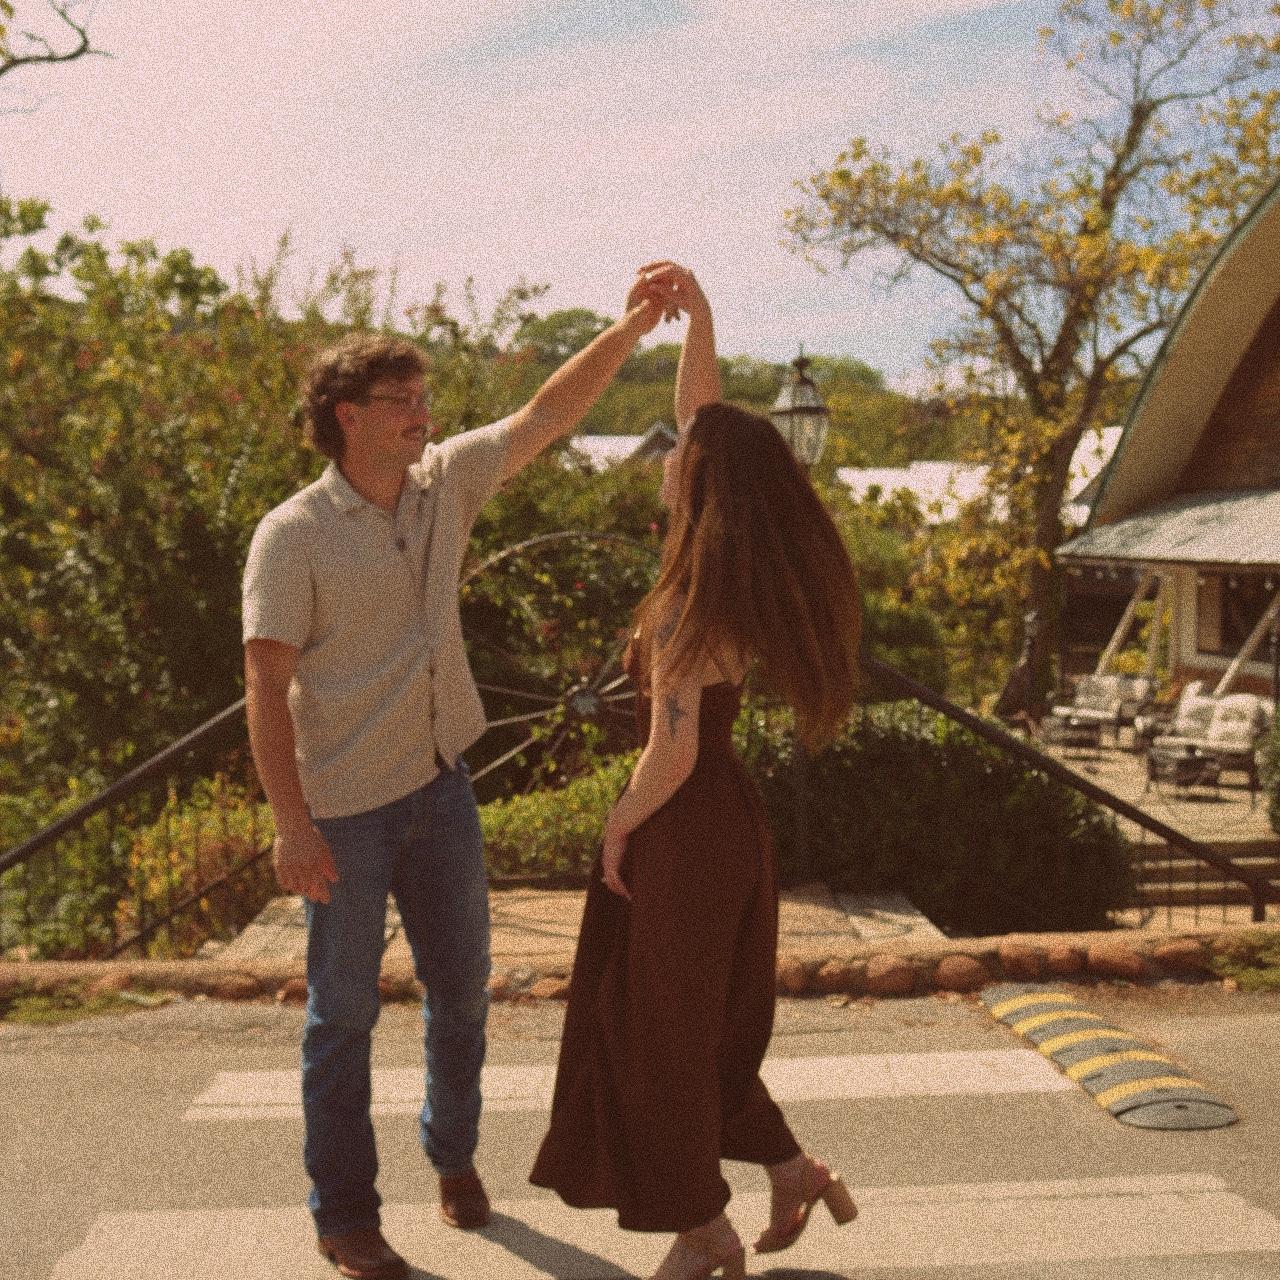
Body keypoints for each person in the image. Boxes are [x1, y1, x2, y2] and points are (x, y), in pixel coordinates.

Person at [241, 272, 669, 1280]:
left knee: (463, 994)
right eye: (401, 401)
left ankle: (453, 1155)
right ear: (346, 415)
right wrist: (291, 824)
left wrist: (637, 325)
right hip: (343, 811)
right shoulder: (291, 535)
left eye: (422, 398)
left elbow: (549, 413)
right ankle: (346, 1214)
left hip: (440, 789)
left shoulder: (446, 484)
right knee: (341, 1017)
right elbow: (263, 684)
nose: (422, 415)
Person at [530, 264, 864, 1280]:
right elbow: (704, 417)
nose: (670, 451)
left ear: (700, 480)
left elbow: (668, 750)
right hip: (726, 820)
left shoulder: (687, 598)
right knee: (693, 1026)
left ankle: (700, 1227)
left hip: (685, 822)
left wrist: (617, 824)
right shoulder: (713, 560)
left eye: (683, 452)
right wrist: (696, 316)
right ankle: (791, 1170)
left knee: (658, 1036)